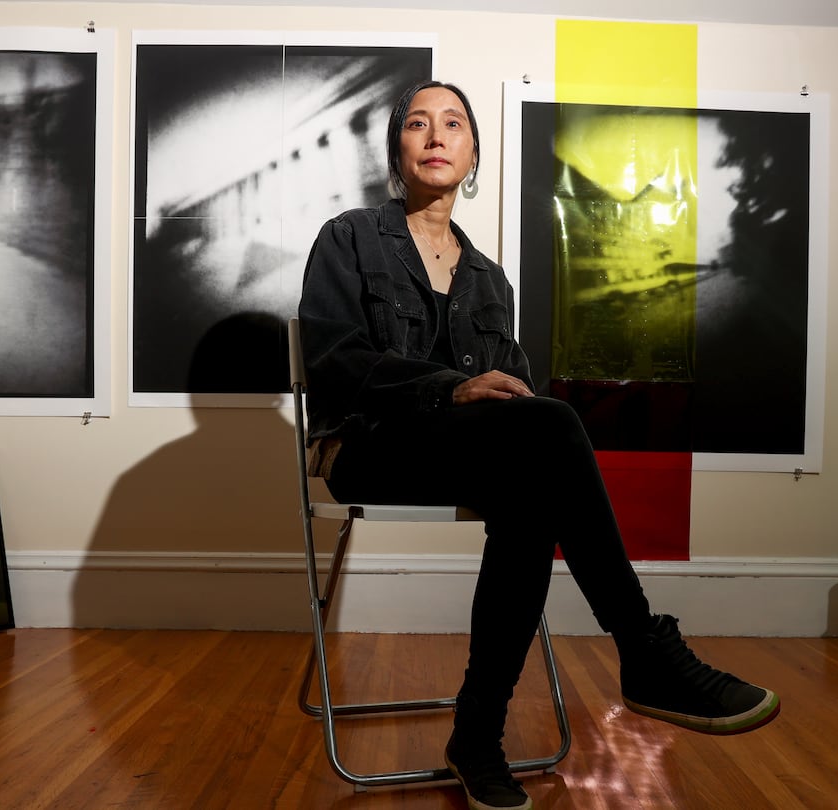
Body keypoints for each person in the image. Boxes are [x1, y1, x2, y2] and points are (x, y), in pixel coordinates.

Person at [297, 81, 779, 810]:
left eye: (453, 124)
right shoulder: (350, 236)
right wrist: (445, 386)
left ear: (472, 154)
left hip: (456, 456)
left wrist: (494, 400)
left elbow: (512, 395)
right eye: (417, 124)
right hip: (369, 448)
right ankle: (644, 650)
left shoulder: (490, 279)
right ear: (397, 151)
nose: (435, 135)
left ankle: (478, 735)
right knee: (549, 432)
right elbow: (335, 359)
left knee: (532, 486)